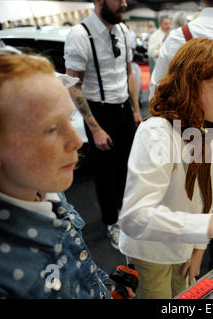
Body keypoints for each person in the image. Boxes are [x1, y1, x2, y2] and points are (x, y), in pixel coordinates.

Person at [0, 41, 134, 298]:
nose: (75, 141)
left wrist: (107, 287)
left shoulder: (45, 191)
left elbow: (77, 260)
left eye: (69, 119)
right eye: (51, 129)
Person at [118, 38, 213, 299]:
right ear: (188, 85)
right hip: (151, 250)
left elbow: (203, 197)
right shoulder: (157, 132)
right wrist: (208, 226)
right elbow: (134, 217)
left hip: (185, 246)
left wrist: (198, 248)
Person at [64, 0, 142, 249]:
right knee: (106, 174)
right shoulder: (80, 35)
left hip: (124, 109)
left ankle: (128, 215)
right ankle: (112, 223)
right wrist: (95, 128)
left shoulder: (123, 30)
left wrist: (137, 110)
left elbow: (128, 72)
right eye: (117, 0)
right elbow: (73, 85)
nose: (124, 3)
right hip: (99, 111)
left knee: (129, 168)